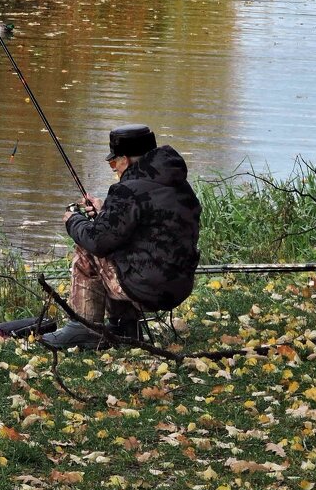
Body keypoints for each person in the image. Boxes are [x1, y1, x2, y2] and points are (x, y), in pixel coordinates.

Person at [41, 124, 201, 349]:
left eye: (113, 162)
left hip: (146, 289)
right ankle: (125, 328)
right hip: (180, 285)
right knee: (122, 249)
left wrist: (73, 221)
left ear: (125, 159)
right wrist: (106, 209)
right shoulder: (179, 185)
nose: (114, 169)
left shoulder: (127, 191)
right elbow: (150, 222)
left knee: (86, 249)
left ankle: (84, 329)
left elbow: (97, 242)